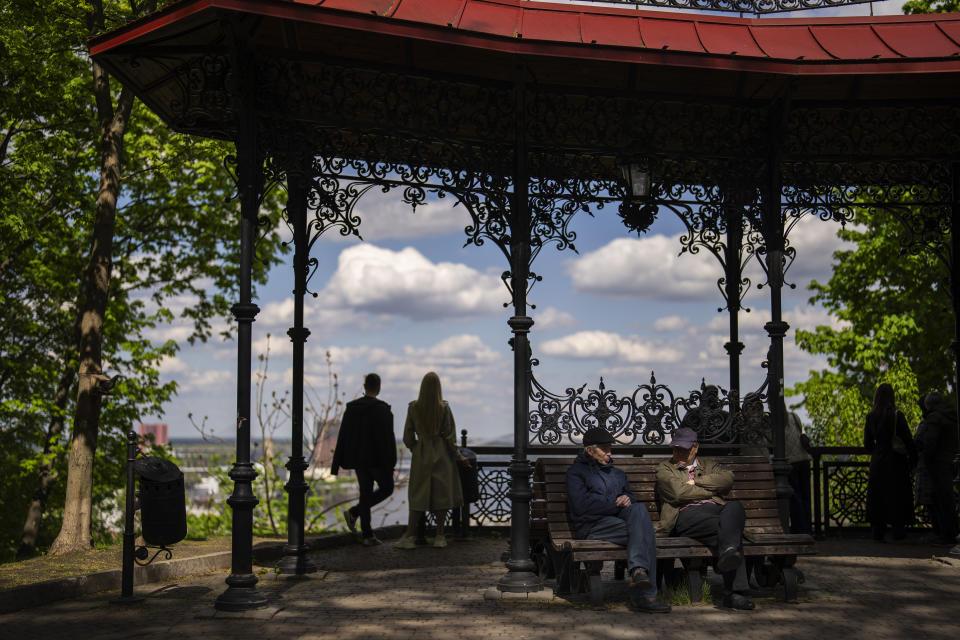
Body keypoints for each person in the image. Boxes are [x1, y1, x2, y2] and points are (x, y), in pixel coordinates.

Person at [566, 427, 669, 614]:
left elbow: (629, 498)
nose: (609, 453)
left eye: (610, 448)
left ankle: (638, 570)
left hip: (618, 524)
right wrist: (615, 504)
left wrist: (627, 499)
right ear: (590, 450)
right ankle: (645, 596)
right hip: (593, 527)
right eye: (604, 449)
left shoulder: (618, 474)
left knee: (638, 510)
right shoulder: (576, 474)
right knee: (645, 532)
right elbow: (581, 507)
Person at [656, 427, 755, 610]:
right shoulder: (665, 468)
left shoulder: (709, 465)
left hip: (717, 510)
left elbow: (727, 479)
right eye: (675, 448)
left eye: (683, 449)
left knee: (734, 507)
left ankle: (729, 551)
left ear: (695, 448)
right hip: (685, 514)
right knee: (730, 531)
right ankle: (734, 593)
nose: (678, 453)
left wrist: (695, 482)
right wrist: (711, 488)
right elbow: (678, 493)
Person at [395, 372, 465, 550]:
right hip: (441, 452)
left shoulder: (413, 407)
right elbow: (450, 436)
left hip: (422, 452)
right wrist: (458, 456)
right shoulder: (444, 408)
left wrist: (416, 448)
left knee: (418, 494)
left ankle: (410, 536)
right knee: (442, 494)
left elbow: (407, 436)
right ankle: (440, 536)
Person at [331, 373, 397, 546]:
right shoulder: (383, 410)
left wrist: (337, 462)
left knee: (365, 492)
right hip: (377, 459)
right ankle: (355, 513)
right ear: (379, 387)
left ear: (364, 386)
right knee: (387, 488)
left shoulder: (352, 408)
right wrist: (391, 462)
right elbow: (388, 439)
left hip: (359, 459)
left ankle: (367, 534)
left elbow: (343, 435)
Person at [864, 382, 917, 542]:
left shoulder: (870, 416)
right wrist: (914, 461)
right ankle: (898, 533)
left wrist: (878, 449)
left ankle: (877, 534)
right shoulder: (897, 416)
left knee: (877, 498)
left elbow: (867, 445)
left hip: (878, 462)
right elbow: (908, 440)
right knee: (897, 497)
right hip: (896, 463)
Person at [917, 392, 958, 544]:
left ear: (929, 404)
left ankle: (945, 534)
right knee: (947, 498)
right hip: (949, 460)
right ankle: (950, 532)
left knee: (940, 499)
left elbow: (930, 442)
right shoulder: (951, 416)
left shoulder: (935, 417)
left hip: (938, 462)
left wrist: (925, 457)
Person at [785, 411, 813, 535]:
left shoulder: (775, 420)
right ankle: (807, 528)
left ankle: (798, 529)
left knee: (795, 498)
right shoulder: (794, 416)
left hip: (791, 463)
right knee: (805, 497)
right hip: (804, 460)